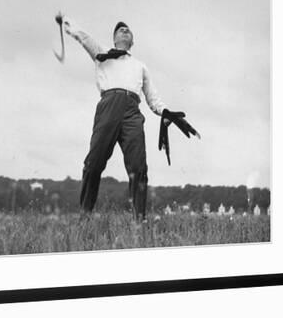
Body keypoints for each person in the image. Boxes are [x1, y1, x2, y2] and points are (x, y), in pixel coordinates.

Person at [57, 14, 194, 222]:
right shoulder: (102, 53)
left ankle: (139, 221)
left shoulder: (140, 66)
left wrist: (165, 112)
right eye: (120, 29)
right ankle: (84, 217)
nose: (124, 29)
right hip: (108, 107)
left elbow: (152, 97)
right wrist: (67, 23)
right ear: (114, 38)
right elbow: (84, 37)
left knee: (138, 167)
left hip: (132, 110)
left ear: (132, 41)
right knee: (93, 163)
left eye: (127, 29)